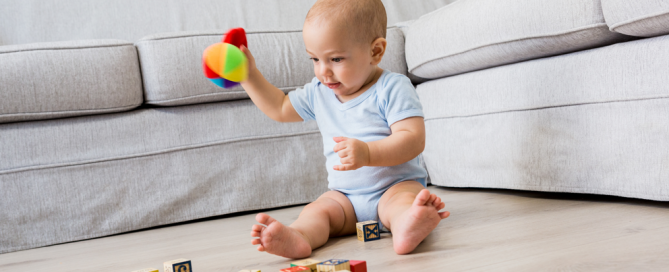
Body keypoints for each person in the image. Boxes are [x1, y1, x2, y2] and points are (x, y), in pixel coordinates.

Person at [241, 0, 450, 258]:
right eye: (315, 59)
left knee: (403, 204)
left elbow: (413, 139)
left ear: (376, 51)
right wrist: (248, 75)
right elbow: (280, 107)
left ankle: (408, 224)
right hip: (345, 198)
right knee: (317, 211)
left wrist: (367, 154)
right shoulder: (319, 93)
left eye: (336, 59)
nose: (323, 71)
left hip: (396, 186)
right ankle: (300, 235)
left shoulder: (393, 87)